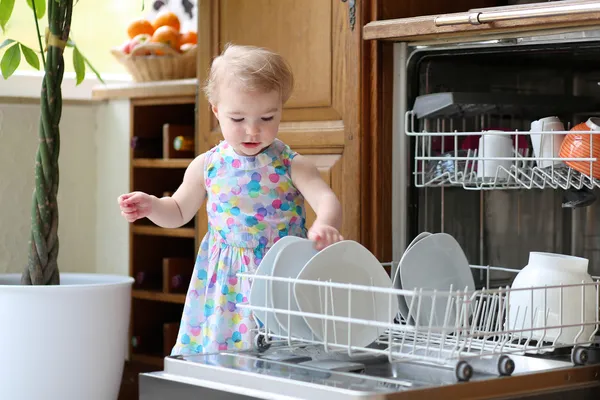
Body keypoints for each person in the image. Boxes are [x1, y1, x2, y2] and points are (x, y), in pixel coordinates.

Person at [117, 44, 344, 354]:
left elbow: (326, 199)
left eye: (267, 117)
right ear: (216, 110)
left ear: (280, 109)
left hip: (281, 272)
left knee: (287, 353)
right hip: (226, 281)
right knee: (225, 354)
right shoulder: (207, 165)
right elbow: (179, 210)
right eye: (237, 119)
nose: (253, 130)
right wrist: (152, 205)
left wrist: (326, 224)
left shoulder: (291, 164)